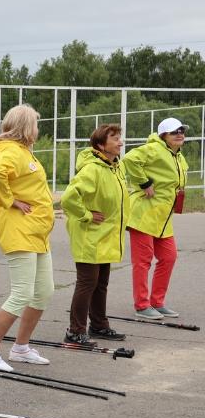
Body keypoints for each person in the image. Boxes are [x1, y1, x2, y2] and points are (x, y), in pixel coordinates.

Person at [0, 104, 55, 371]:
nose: (37, 128)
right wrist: (10, 201)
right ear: (25, 126)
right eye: (35, 123)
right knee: (22, 292)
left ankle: (21, 347)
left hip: (36, 231)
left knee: (43, 291)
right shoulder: (10, 151)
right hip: (19, 230)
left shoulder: (24, 151)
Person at [61, 124, 129, 344]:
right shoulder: (93, 169)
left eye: (120, 137)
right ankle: (75, 331)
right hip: (90, 235)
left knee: (101, 284)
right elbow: (69, 198)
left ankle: (98, 326)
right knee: (87, 283)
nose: (120, 141)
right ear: (101, 145)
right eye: (114, 138)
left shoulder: (115, 166)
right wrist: (87, 215)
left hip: (106, 236)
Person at [121, 117, 189, 320]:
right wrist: (144, 182)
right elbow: (129, 160)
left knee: (169, 257)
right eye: (174, 131)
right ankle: (142, 305)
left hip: (163, 218)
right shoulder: (153, 149)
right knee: (142, 262)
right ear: (163, 135)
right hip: (144, 215)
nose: (179, 134)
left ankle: (157, 302)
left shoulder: (179, 156)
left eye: (181, 130)